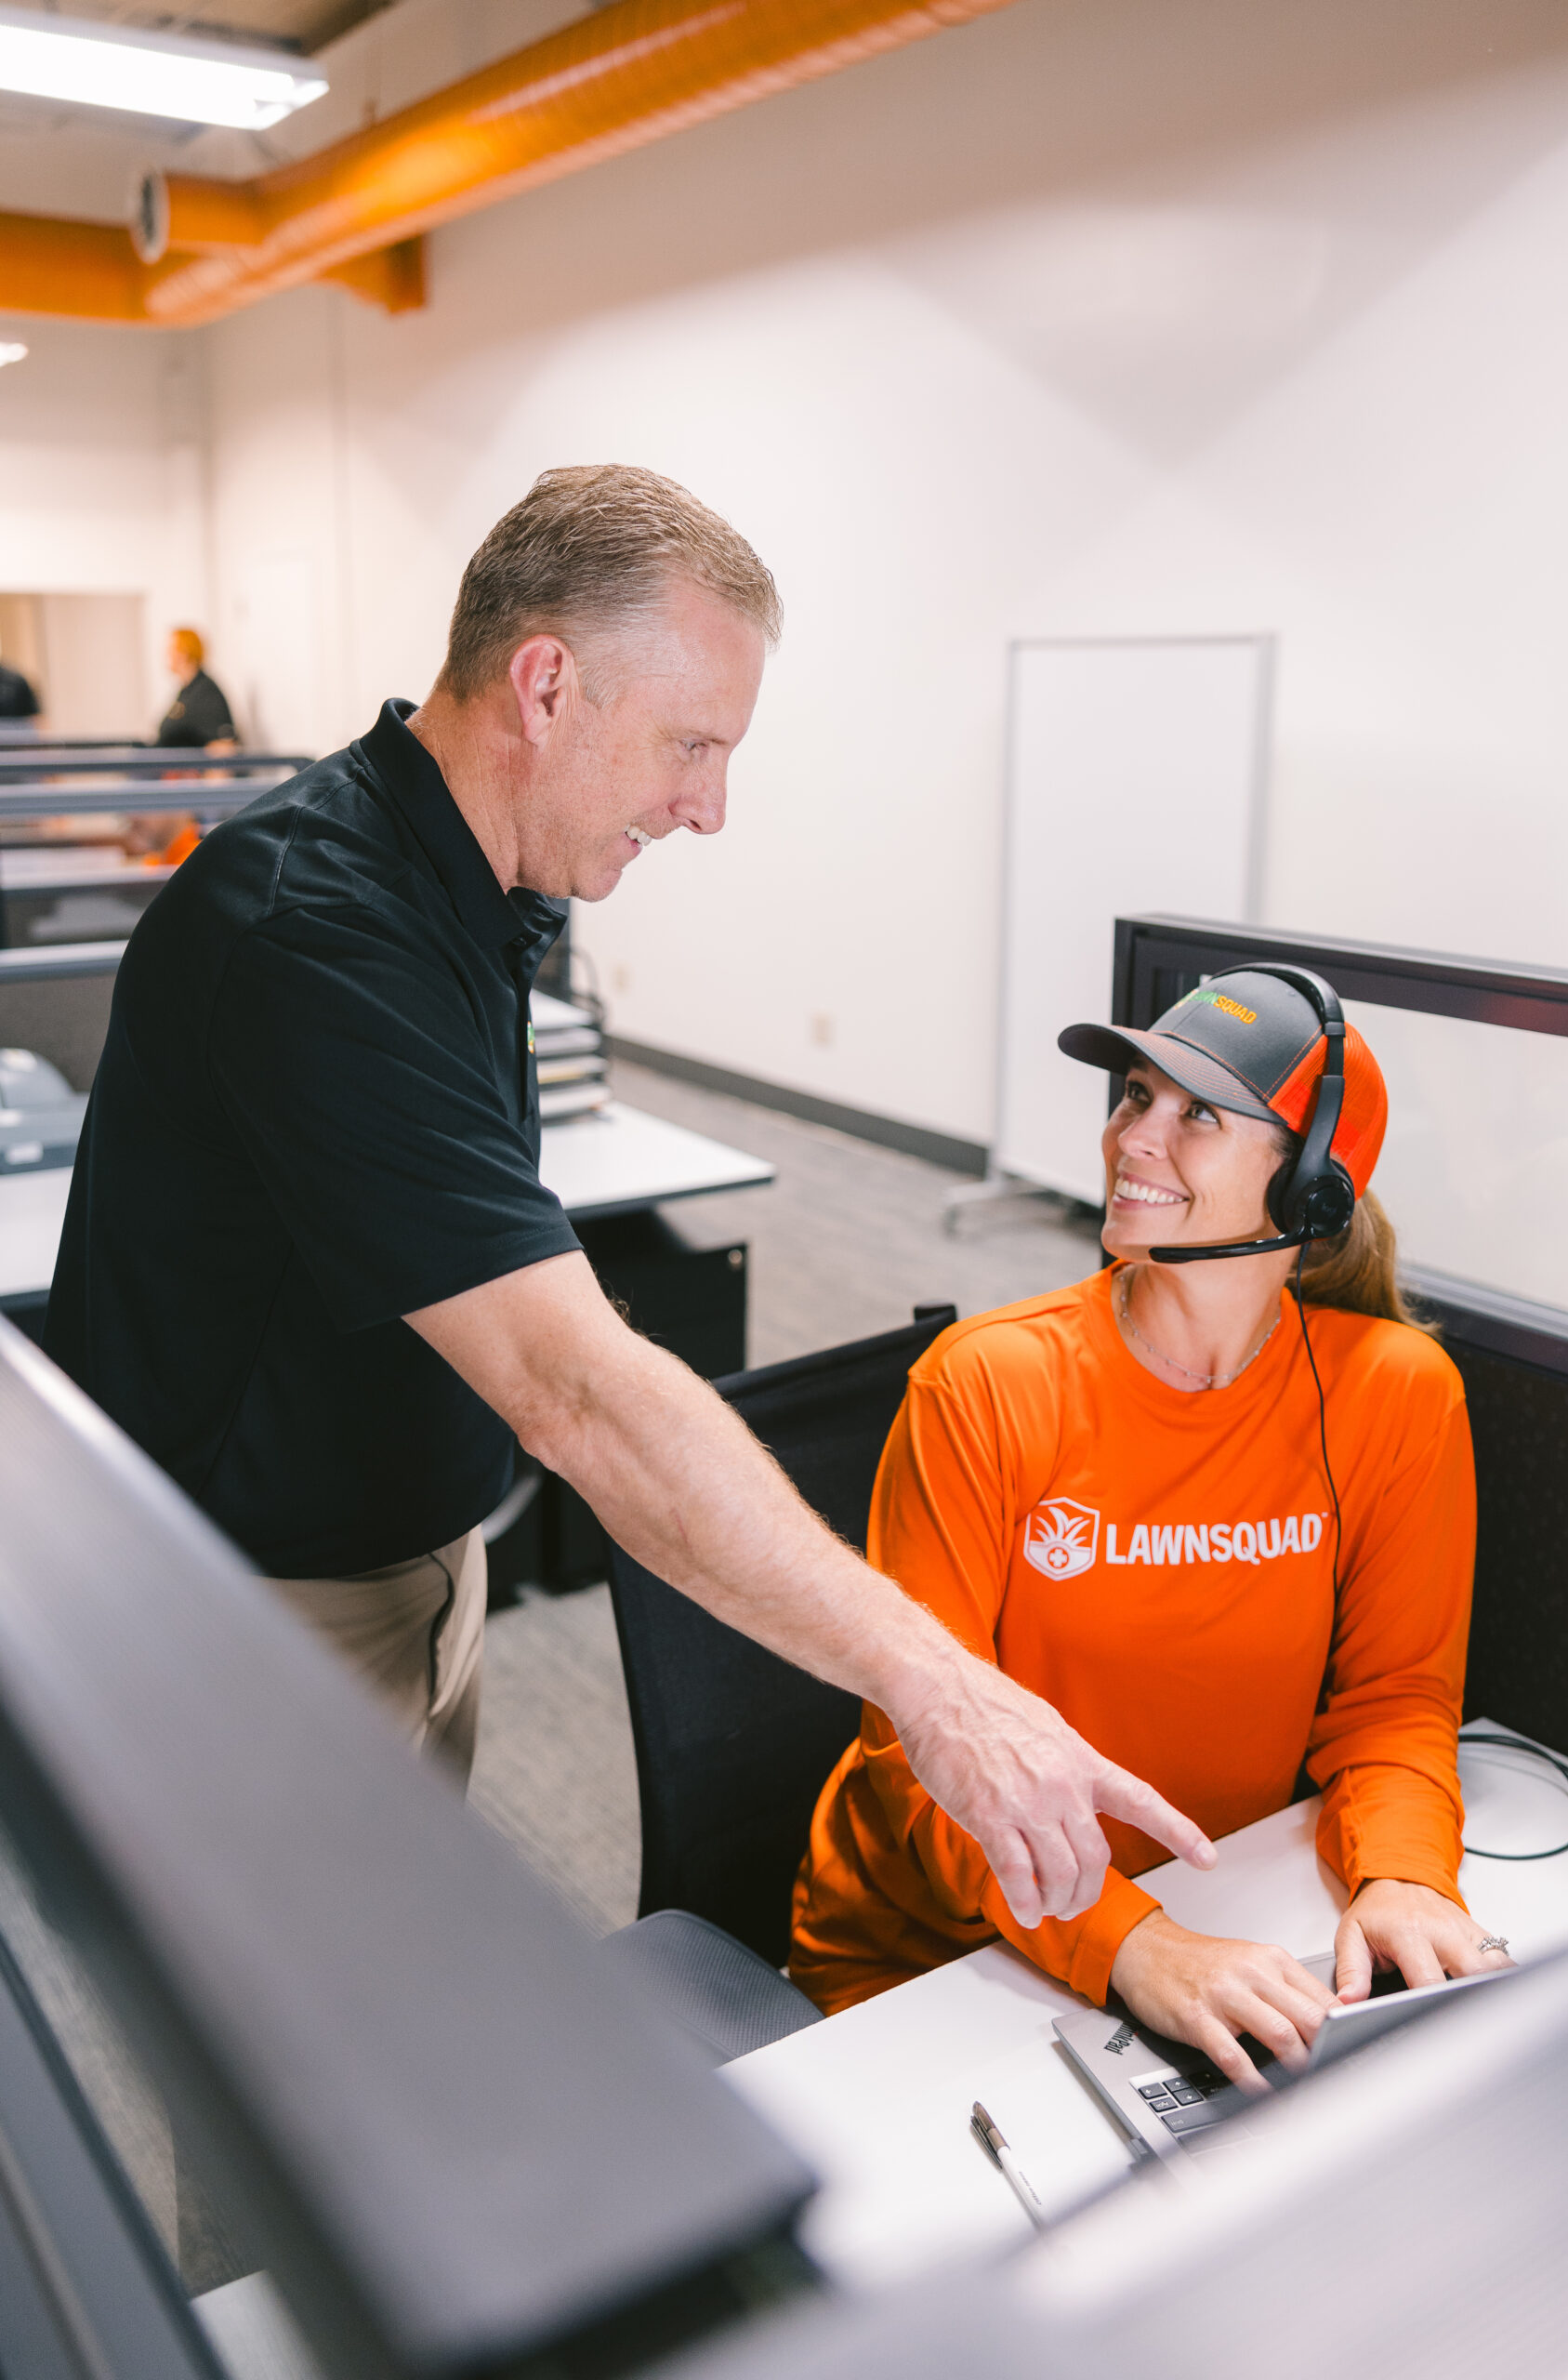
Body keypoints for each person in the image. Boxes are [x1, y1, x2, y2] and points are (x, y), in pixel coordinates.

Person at [45, 466, 1214, 1934]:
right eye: (691, 745)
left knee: (404, 1981)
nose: (709, 807)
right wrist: (937, 1687)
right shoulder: (313, 931)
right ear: (546, 685)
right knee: (293, 2108)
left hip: (414, 1558)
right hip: (263, 1620)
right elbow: (572, 1388)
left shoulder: (472, 875)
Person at [790, 969, 1511, 2089]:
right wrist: (1130, 1944)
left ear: (1313, 1187)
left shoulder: (1395, 1393)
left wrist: (1404, 1875)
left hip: (1219, 1919)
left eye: (1196, 1115)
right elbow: (918, 1754)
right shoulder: (985, 1384)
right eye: (1133, 1096)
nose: (1134, 1137)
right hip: (943, 1958)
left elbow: (1394, 1700)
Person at [155, 628, 237, 748]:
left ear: (183, 653)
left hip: (186, 766)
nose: (167, 656)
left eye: (170, 651)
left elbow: (224, 745)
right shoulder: (186, 691)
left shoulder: (206, 692)